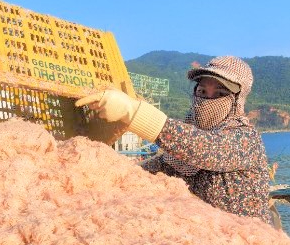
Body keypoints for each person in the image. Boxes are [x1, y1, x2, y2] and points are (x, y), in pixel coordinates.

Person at [76, 56, 271, 224]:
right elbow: (153, 168)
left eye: (220, 94)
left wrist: (132, 112)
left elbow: (204, 148)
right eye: (202, 92)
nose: (207, 100)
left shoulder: (245, 138)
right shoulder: (184, 145)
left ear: (237, 100)